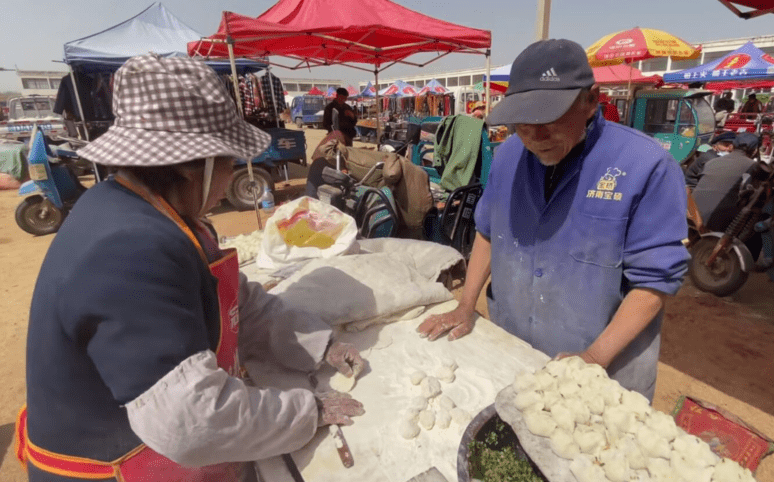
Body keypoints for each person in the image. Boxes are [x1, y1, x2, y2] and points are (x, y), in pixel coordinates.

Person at [17, 54, 365, 482]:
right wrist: (307, 409)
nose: (233, 173)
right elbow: (192, 422)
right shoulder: (129, 248)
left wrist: (319, 345)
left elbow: (234, 302)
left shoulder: (158, 213)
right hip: (115, 466)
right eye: (229, 160)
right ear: (190, 164)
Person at [416, 39, 690, 401]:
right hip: (515, 352)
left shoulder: (646, 166)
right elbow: (487, 232)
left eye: (548, 118)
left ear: (591, 100)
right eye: (522, 122)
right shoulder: (508, 156)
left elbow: (654, 282)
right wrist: (466, 305)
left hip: (603, 373)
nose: (534, 136)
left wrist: (593, 358)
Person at [692, 132, 763, 259]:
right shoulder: (753, 166)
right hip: (722, 220)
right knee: (760, 223)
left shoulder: (711, 162)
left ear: (732, 146)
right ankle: (749, 261)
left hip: (696, 215)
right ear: (754, 150)